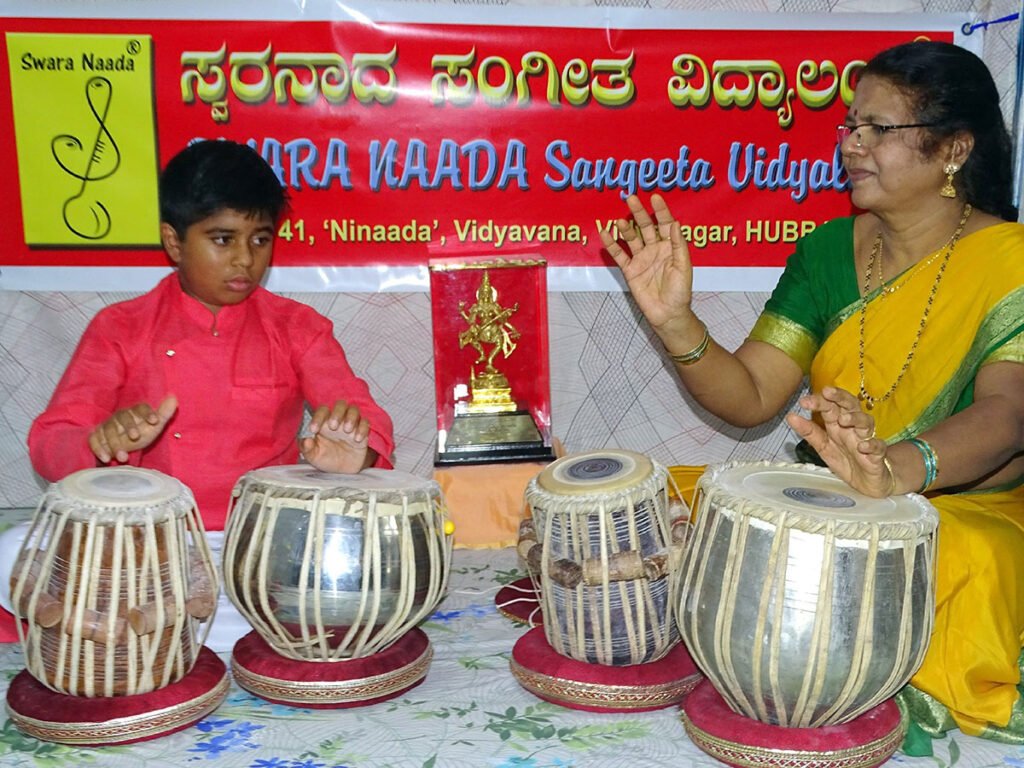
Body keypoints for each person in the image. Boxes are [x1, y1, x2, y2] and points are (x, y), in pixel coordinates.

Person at [600, 41, 1024, 746]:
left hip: (967, 507)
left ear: (953, 149)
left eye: (876, 130)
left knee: (943, 558)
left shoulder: (1010, 260)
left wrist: (893, 470)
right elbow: (752, 396)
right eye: (848, 126)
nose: (850, 146)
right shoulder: (827, 253)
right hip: (834, 496)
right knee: (695, 512)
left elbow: (1008, 416)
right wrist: (676, 323)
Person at [28, 139, 395, 530]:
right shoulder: (120, 328)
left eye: (260, 239)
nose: (245, 258)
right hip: (144, 540)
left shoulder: (298, 329)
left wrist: (360, 454)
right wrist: (99, 442)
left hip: (264, 540)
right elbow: (50, 444)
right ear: (174, 241)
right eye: (223, 239)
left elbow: (368, 421)